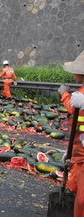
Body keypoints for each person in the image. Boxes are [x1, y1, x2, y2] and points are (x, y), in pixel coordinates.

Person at [58, 50, 84, 217]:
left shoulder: (80, 96)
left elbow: (73, 110)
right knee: (76, 187)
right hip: (79, 150)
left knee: (82, 200)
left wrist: (64, 94)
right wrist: (71, 153)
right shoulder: (81, 93)